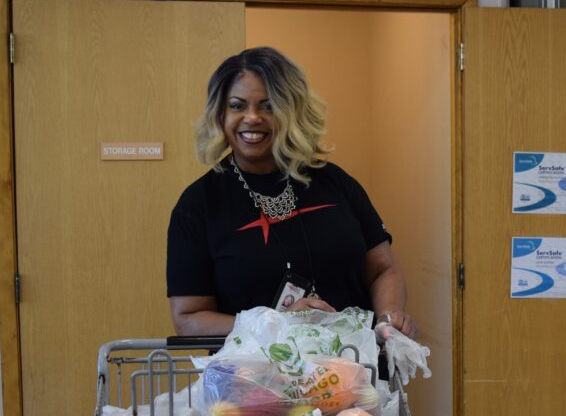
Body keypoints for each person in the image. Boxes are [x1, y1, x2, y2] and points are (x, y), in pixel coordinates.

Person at [166, 46, 416, 339]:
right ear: (219, 114)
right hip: (254, 379)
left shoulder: (335, 182)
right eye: (237, 105)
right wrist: (277, 325)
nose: (252, 117)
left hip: (353, 372)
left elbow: (383, 270)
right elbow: (188, 318)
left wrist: (388, 318)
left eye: (269, 106)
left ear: (291, 111)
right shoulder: (198, 205)